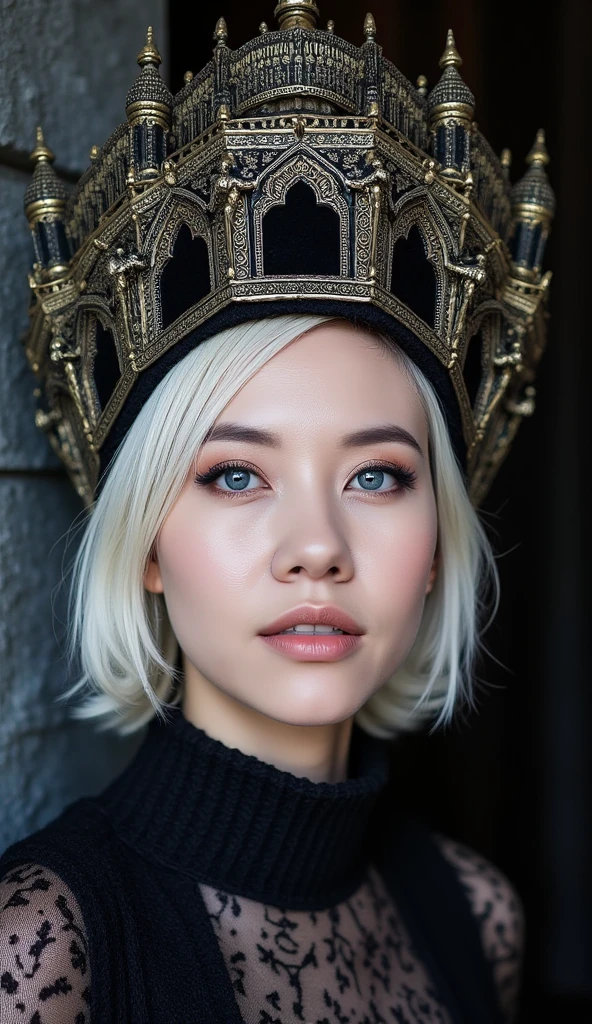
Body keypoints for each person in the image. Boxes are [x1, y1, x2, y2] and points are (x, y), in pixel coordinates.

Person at [0, 5, 554, 1023]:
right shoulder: (43, 951)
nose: (317, 550)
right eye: (236, 476)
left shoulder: (482, 916)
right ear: (149, 544)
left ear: (437, 547)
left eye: (377, 477)